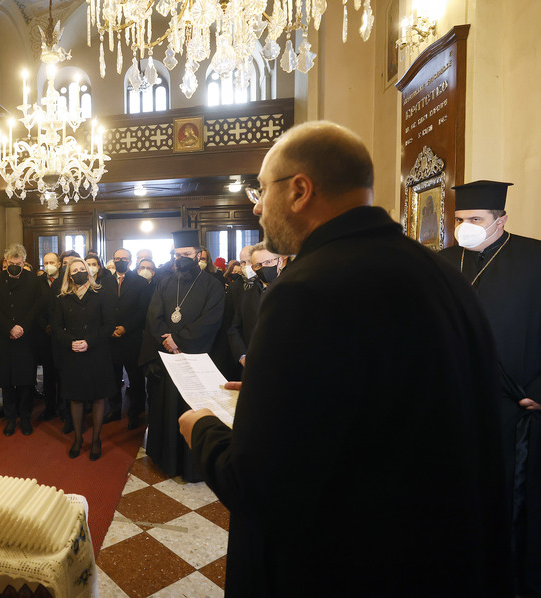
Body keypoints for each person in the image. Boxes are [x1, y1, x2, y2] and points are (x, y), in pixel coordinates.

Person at [178, 121, 511, 596]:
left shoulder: (303, 291)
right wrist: (273, 393)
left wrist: (203, 427)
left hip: (342, 565)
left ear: (299, 190)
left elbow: (261, 488)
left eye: (260, 190)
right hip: (440, 561)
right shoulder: (441, 273)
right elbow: (382, 404)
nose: (255, 206)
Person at [438, 180, 541, 596]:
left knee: (513, 506)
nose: (466, 227)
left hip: (518, 407)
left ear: (501, 221)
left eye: (476, 219)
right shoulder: (443, 263)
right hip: (456, 407)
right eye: (460, 219)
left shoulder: (534, 258)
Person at [140, 229, 225, 481]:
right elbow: (153, 316)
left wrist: (179, 340)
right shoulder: (165, 283)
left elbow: (212, 320)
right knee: (166, 409)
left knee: (192, 410)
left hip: (196, 359)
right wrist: (167, 339)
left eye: (186, 254)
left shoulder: (213, 284)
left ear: (198, 254)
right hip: (168, 361)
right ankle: (166, 460)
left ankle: (191, 466)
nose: (181, 259)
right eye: (177, 255)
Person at [50, 258, 116, 460]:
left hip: (97, 352)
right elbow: (56, 327)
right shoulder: (63, 297)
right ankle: (78, 438)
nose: (79, 272)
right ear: (69, 275)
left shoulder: (101, 294)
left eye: (82, 268)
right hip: (73, 353)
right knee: (76, 397)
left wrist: (89, 342)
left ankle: (96, 439)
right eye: (74, 270)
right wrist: (71, 342)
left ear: (88, 271)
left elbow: (109, 325)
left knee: (97, 397)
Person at [0, 244, 44, 436]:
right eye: (11, 263)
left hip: (26, 338)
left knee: (25, 382)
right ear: (5, 262)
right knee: (7, 382)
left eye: (18, 263)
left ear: (23, 262)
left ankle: (26, 418)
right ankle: (10, 418)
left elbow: (37, 307)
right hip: (4, 338)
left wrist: (22, 327)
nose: (14, 266)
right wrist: (9, 328)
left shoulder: (33, 281)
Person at [226, 243, 287, 374]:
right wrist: (242, 355)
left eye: (268, 262)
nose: (263, 268)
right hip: (251, 367)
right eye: (258, 265)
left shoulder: (294, 291)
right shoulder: (247, 294)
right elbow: (234, 328)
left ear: (280, 261)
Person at [106, 248, 149, 429]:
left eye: (124, 258)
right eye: (117, 258)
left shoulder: (140, 282)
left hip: (132, 339)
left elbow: (143, 311)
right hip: (110, 338)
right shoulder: (105, 281)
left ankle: (135, 413)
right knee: (113, 377)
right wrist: (110, 328)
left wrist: (125, 328)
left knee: (136, 378)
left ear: (130, 261)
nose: (120, 261)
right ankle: (114, 410)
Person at [37, 251, 62, 421]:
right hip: (44, 334)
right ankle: (49, 407)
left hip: (62, 333)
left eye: (52, 262)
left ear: (59, 264)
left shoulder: (66, 280)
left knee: (63, 373)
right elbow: (34, 306)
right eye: (45, 262)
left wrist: (57, 326)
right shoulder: (37, 282)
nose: (49, 265)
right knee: (48, 373)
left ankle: (64, 407)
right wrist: (44, 325)